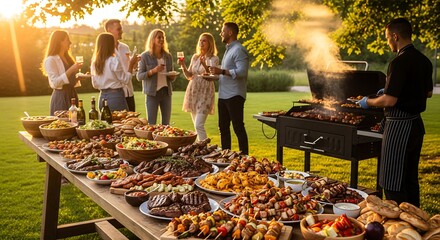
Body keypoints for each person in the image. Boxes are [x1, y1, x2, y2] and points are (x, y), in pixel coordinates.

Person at [357, 18, 433, 206]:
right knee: (409, 179)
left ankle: (396, 226)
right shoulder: (424, 61)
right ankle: (416, 224)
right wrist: (394, 91)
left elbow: (389, 100)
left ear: (395, 36)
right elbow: (428, 92)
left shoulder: (398, 62)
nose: (388, 42)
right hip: (416, 126)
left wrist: (368, 102)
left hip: (399, 127)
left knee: (392, 182)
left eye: (387, 38)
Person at [208, 22, 249, 155]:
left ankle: (244, 157)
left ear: (230, 32)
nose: (221, 33)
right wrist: (213, 76)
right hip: (223, 95)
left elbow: (242, 72)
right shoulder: (228, 49)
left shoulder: (239, 49)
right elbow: (225, 74)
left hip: (235, 95)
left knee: (238, 128)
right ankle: (226, 156)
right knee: (223, 128)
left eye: (222, 31)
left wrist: (221, 71)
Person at [179, 33, 219, 141]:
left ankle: (205, 149)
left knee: (199, 125)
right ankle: (200, 150)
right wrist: (183, 66)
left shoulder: (214, 58)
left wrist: (205, 65)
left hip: (205, 92)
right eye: (200, 40)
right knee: (196, 126)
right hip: (193, 91)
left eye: (204, 41)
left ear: (210, 43)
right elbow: (189, 76)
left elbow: (211, 75)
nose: (201, 43)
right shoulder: (195, 57)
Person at [137, 29, 177, 125]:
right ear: (153, 39)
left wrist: (172, 76)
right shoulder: (144, 56)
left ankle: (164, 140)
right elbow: (139, 76)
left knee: (166, 124)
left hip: (166, 93)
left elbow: (171, 77)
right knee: (151, 124)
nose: (161, 39)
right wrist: (153, 71)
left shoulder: (168, 56)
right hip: (152, 94)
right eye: (159, 37)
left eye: (163, 37)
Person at [42, 30, 83, 116]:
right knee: (62, 125)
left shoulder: (67, 58)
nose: (70, 42)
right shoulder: (51, 60)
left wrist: (77, 78)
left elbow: (68, 79)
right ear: (60, 42)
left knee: (76, 122)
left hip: (72, 95)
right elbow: (56, 83)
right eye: (67, 40)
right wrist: (71, 69)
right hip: (61, 97)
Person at [91, 33, 136, 111]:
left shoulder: (94, 63)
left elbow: (95, 85)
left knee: (106, 122)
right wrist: (131, 64)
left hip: (102, 97)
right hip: (116, 97)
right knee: (121, 122)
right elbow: (125, 80)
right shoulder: (113, 60)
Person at [104, 19, 139, 112]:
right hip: (115, 95)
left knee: (131, 122)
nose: (122, 31)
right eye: (119, 29)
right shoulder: (104, 51)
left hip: (129, 92)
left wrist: (135, 65)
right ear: (109, 31)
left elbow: (130, 70)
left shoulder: (125, 47)